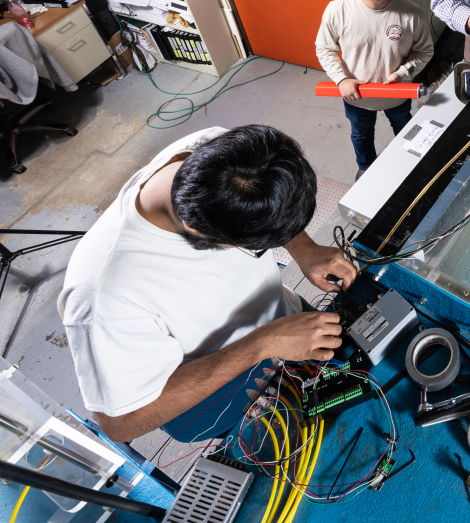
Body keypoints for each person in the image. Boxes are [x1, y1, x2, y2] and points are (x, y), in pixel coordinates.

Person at [58, 125, 358, 443]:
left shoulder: (221, 153)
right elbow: (121, 424)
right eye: (257, 247)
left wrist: (303, 248)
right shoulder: (103, 298)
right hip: (220, 386)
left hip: (286, 324)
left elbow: (265, 197)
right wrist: (263, 344)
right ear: (196, 230)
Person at [315, 0, 433, 178]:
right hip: (356, 95)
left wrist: (403, 73)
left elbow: (424, 50)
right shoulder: (338, 10)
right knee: (361, 133)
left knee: (404, 127)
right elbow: (324, 48)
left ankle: (408, 164)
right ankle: (366, 167)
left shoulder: (411, 13)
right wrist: (341, 79)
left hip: (397, 92)